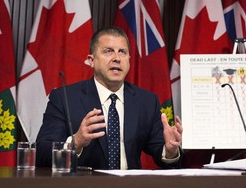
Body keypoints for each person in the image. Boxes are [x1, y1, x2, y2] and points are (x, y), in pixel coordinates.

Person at [36, 26, 183, 169]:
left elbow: (161, 152)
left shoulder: (146, 101)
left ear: (129, 60)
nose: (117, 58)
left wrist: (170, 151)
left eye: (122, 52)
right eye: (108, 51)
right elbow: (42, 154)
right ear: (91, 60)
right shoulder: (64, 98)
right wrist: (77, 141)